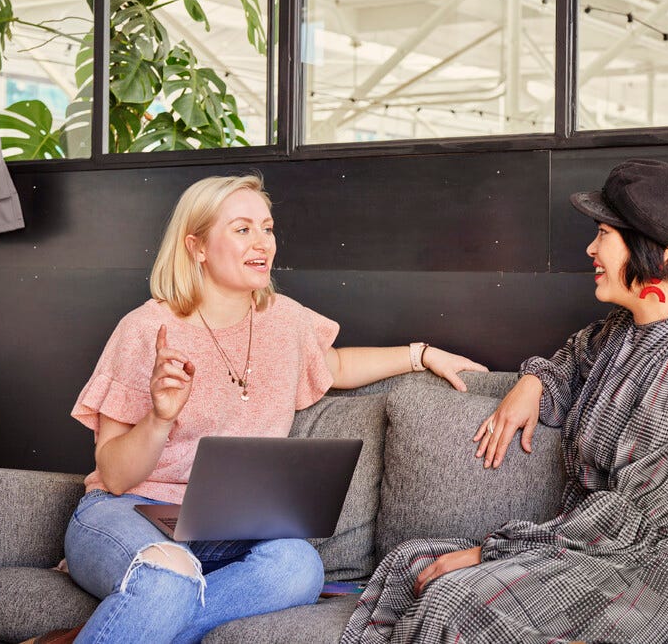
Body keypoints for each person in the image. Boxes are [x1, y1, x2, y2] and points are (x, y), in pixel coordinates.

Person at [61, 174, 488, 644]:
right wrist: (160, 417)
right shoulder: (146, 328)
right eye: (242, 229)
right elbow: (116, 477)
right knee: (168, 572)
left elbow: (338, 364)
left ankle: (136, 623)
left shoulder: (283, 320)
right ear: (197, 246)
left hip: (224, 526)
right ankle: (152, 601)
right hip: (128, 513)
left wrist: (421, 354)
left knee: (297, 566)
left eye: (267, 228)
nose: (262, 242)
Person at [341, 159, 668, 644]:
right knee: (412, 562)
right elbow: (575, 360)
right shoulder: (626, 329)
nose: (590, 249)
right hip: (603, 551)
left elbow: (636, 516)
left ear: (656, 256)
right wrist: (533, 381)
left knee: (454, 601)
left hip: (667, 573)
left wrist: (490, 553)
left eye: (603, 234)